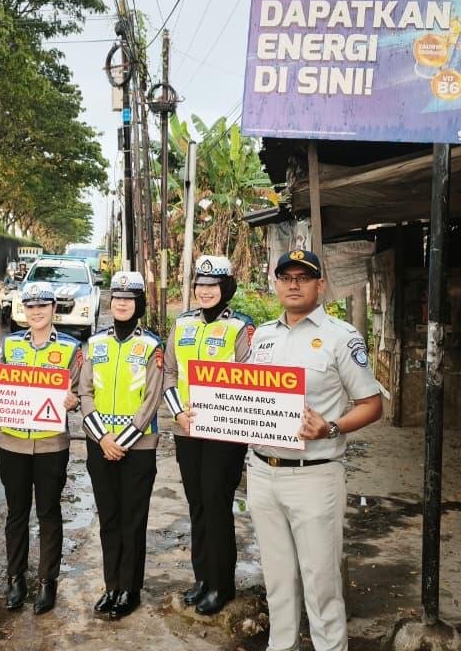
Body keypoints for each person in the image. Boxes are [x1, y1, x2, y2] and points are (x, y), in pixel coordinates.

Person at [247, 249, 383, 651]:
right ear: (275, 284)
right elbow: (250, 397)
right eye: (285, 277)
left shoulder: (342, 337)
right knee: (277, 579)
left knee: (321, 582)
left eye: (302, 277)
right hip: (261, 471)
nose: (293, 284)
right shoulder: (264, 336)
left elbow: (372, 405)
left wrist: (330, 427)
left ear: (320, 285)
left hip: (314, 473)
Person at [0, 282, 82, 614]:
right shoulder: (10, 344)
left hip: (51, 444)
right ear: (23, 310)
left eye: (42, 306)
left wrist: (73, 401)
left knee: (49, 513)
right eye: (30, 306)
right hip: (13, 443)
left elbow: (79, 394)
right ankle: (15, 579)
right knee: (16, 513)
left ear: (53, 309)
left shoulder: (73, 349)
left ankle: (48, 583)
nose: (36, 312)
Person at [163, 255, 255, 616]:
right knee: (197, 504)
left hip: (224, 434)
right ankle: (202, 579)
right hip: (187, 429)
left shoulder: (241, 327)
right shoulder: (182, 324)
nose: (204, 291)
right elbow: (170, 372)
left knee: (218, 505)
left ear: (225, 289)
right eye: (200, 285)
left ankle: (222, 584)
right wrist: (179, 413)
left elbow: (251, 380)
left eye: (212, 285)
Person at [78, 270, 164, 620]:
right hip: (100, 446)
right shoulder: (94, 344)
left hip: (137, 449)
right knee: (109, 518)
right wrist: (103, 438)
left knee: (133, 520)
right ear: (110, 302)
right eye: (118, 298)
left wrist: (122, 441)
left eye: (130, 299)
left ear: (139, 304)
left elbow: (152, 399)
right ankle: (111, 585)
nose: (123, 304)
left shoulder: (152, 346)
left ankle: (130, 588)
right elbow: (85, 393)